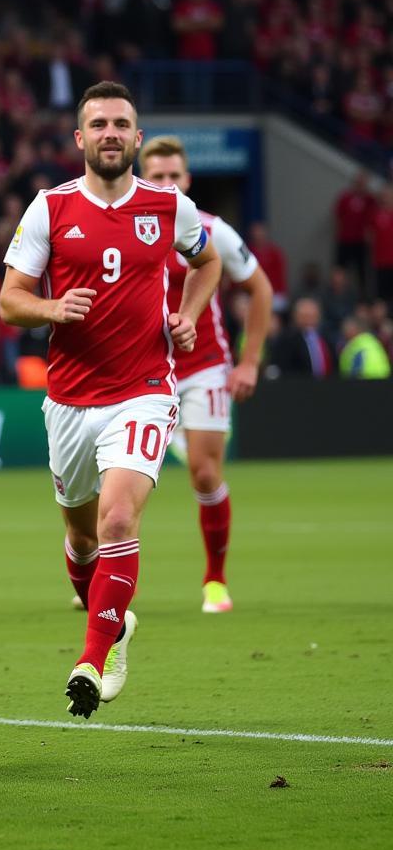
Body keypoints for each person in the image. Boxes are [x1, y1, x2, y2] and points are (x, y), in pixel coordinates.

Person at [0, 81, 221, 719]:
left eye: (122, 123)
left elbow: (207, 265)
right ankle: (115, 622)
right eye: (98, 124)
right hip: (69, 397)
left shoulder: (169, 206)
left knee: (118, 520)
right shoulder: (49, 209)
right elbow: (10, 300)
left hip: (144, 390)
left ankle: (93, 658)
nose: (111, 133)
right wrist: (51, 306)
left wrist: (187, 313)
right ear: (80, 138)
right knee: (80, 540)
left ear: (137, 136)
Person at [139, 135, 274, 614]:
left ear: (188, 180)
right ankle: (92, 576)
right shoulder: (127, 227)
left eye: (175, 176)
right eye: (157, 177)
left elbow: (260, 289)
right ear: (142, 177)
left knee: (203, 471)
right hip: (141, 370)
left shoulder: (213, 230)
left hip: (203, 368)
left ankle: (215, 581)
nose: (168, 184)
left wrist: (250, 360)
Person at [270, 297, 335, 378]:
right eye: (305, 316)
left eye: (312, 316)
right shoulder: (286, 341)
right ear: (296, 317)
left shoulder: (326, 339)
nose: (309, 320)